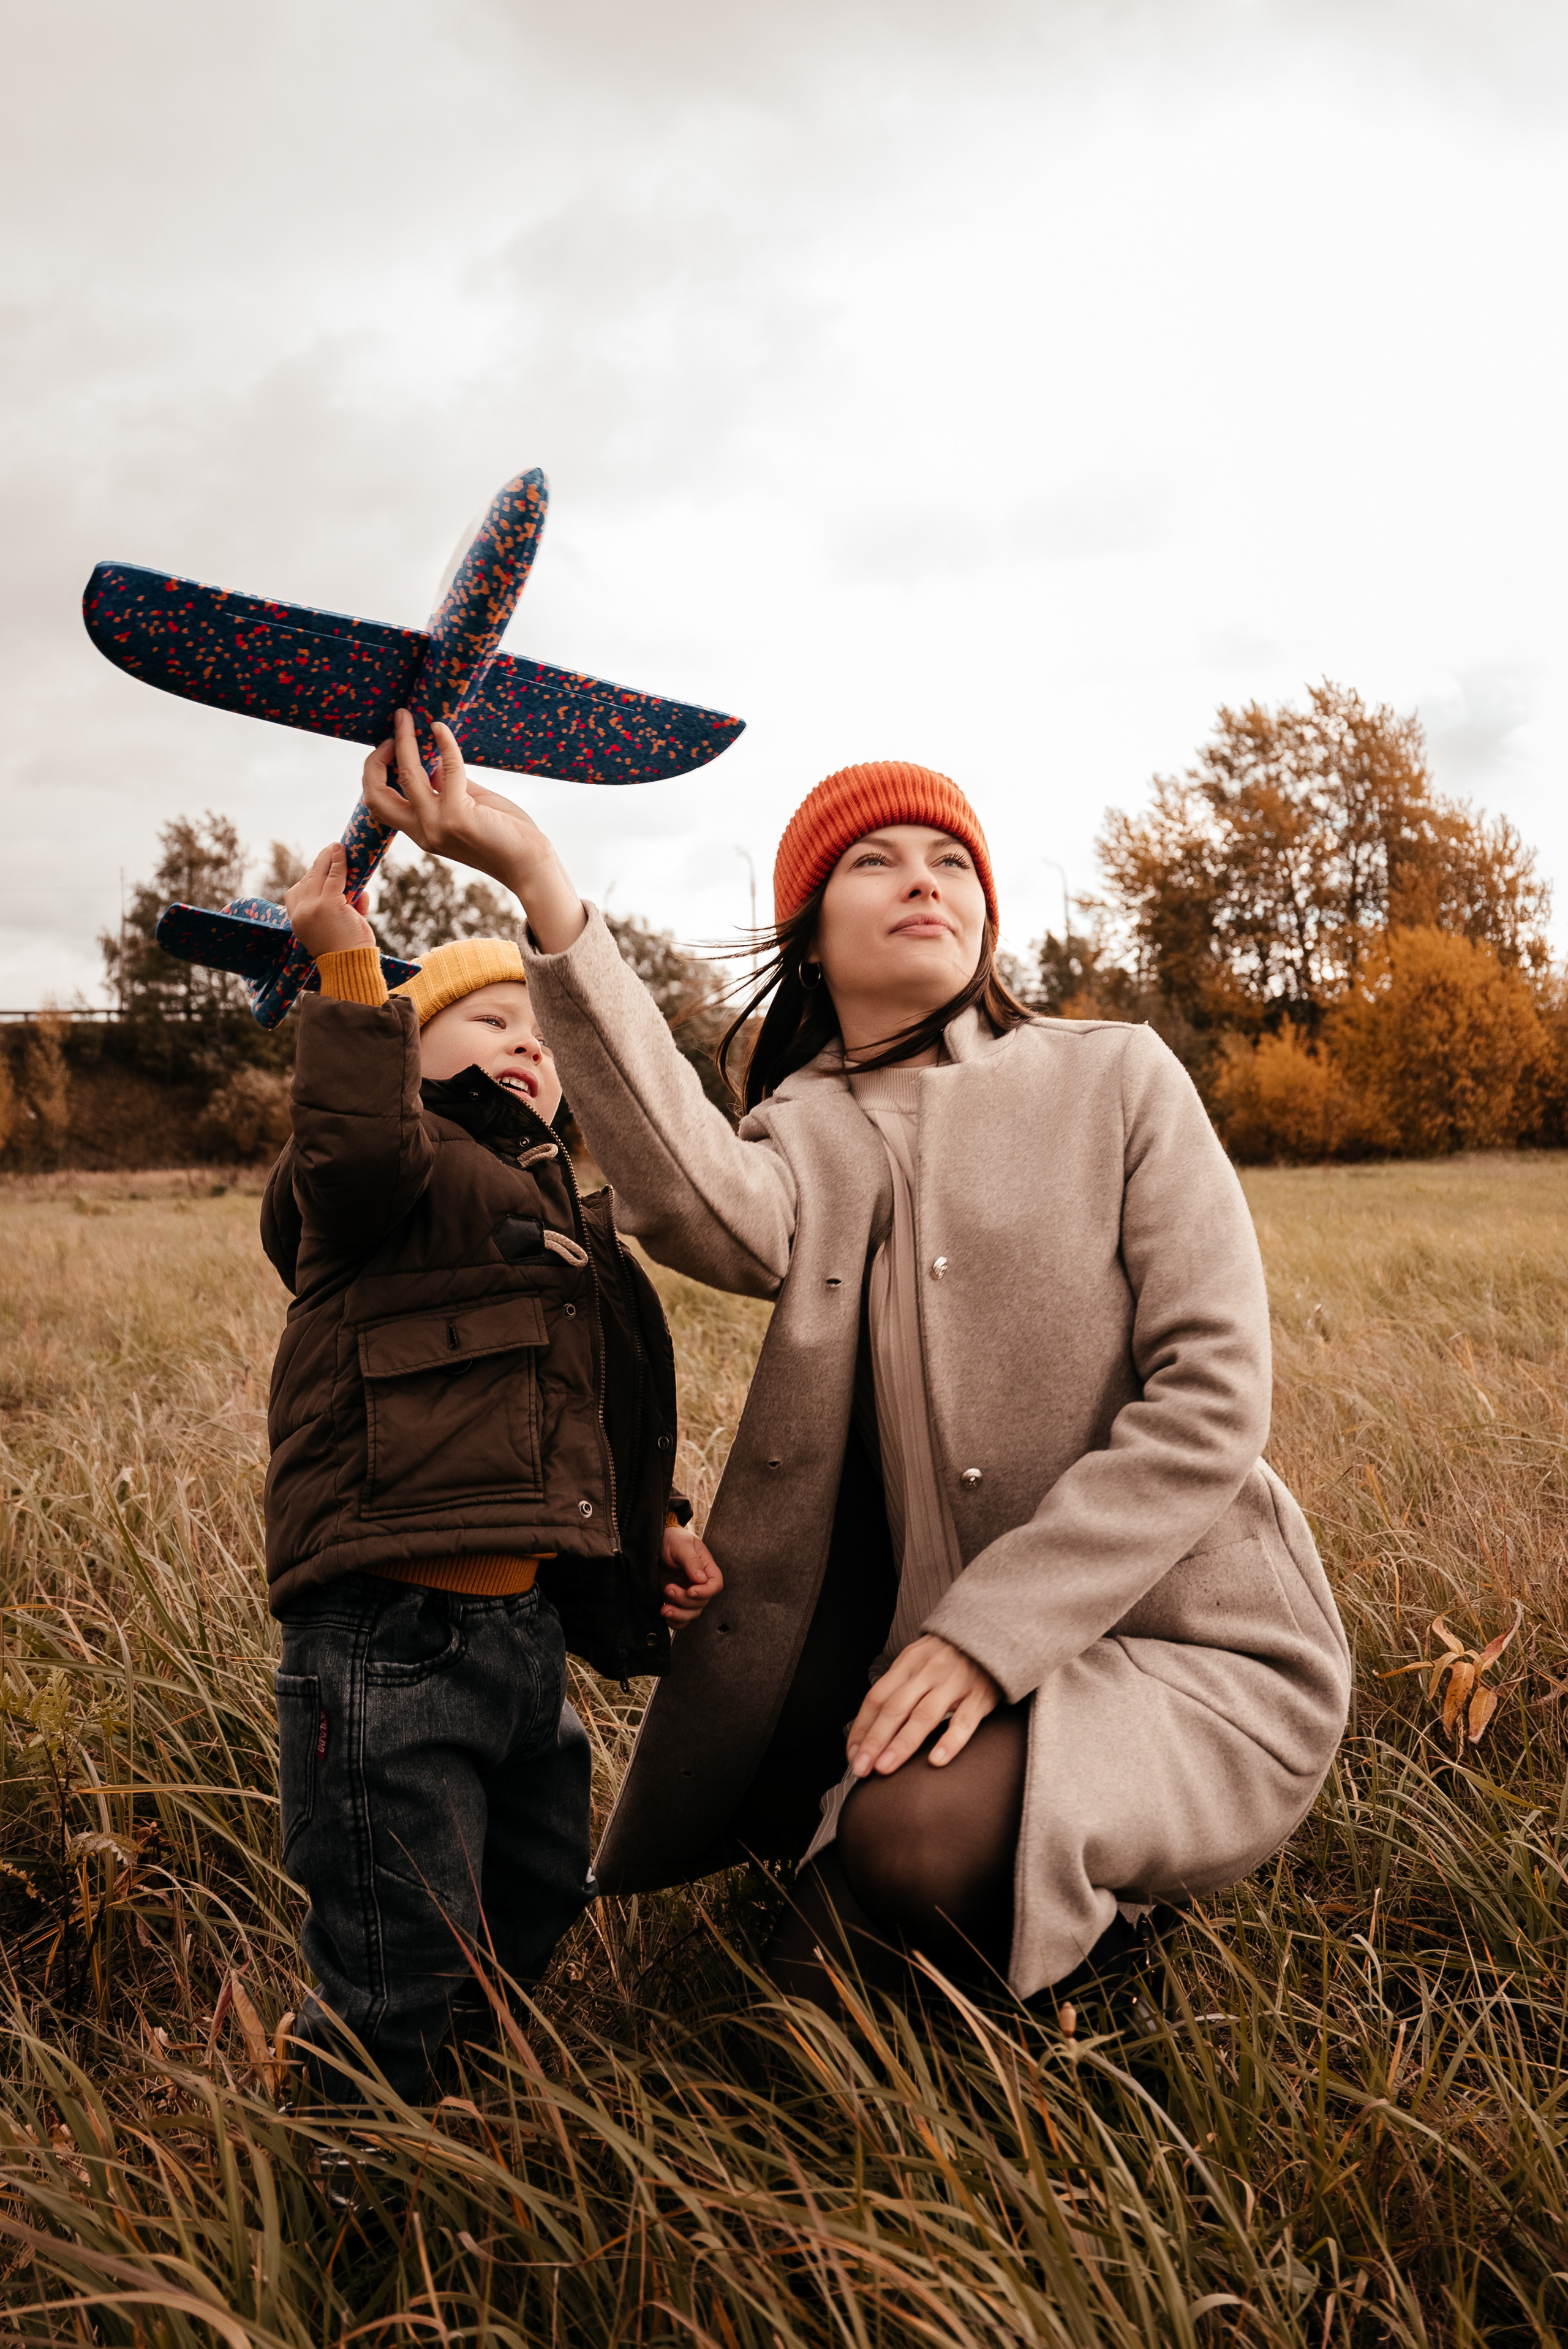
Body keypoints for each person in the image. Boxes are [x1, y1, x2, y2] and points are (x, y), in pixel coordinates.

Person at [360, 711, 1352, 2014]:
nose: (923, 881)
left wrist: (986, 1640)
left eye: (951, 861)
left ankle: (1111, 1966)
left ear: (984, 916)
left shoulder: (1116, 1077)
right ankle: (1018, 1941)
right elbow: (693, 1200)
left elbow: (1213, 1398)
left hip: (1186, 1647)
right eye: (874, 861)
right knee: (788, 2027)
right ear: (812, 937)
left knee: (911, 1843)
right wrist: (538, 878)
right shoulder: (805, 1131)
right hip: (936, 1671)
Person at [262, 833, 722, 2105]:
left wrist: (649, 1522)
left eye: (543, 1032)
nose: (529, 1042)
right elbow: (350, 1142)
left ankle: (458, 2102)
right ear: (403, 1054)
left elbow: (575, 1406)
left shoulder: (554, 1207)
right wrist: (349, 975)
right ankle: (354, 2162)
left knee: (537, 1886)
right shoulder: (384, 1176)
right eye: (490, 1020)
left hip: (519, 1635)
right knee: (398, 1939)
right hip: (387, 1635)